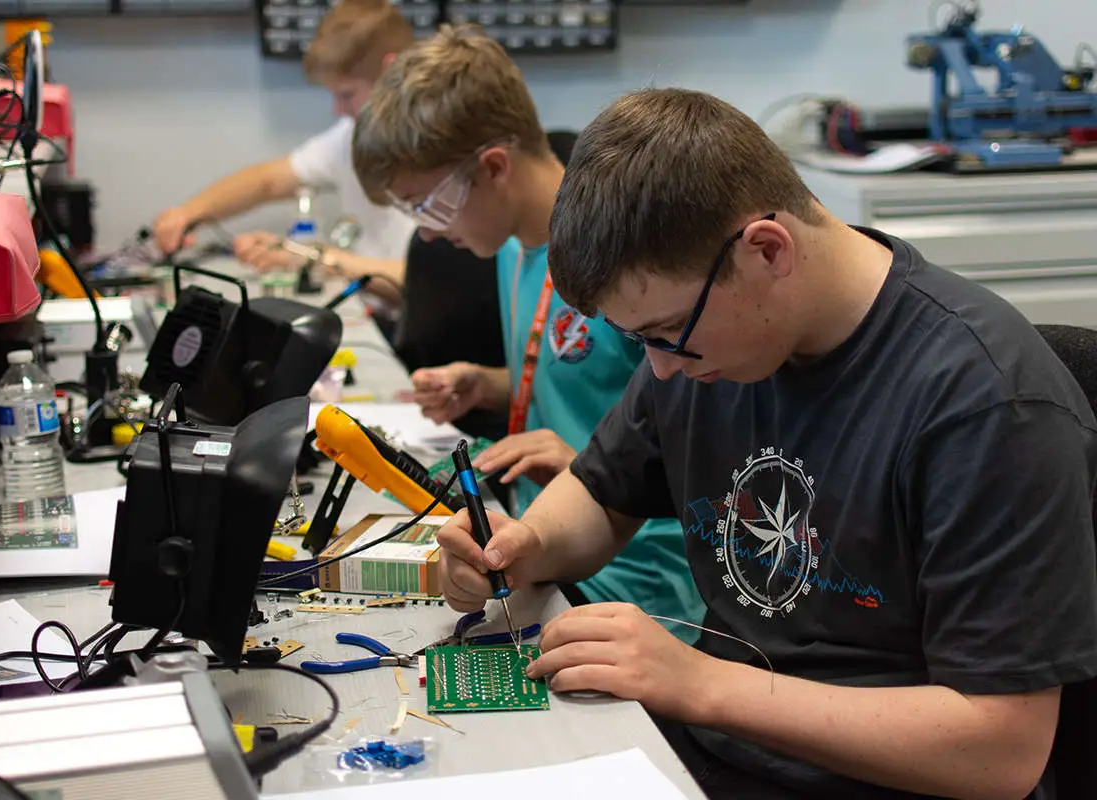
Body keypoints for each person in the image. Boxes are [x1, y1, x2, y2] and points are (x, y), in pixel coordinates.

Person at [433, 86, 1097, 799]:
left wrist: (697, 682)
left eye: (664, 337)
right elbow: (604, 490)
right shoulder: (704, 344)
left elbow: (1000, 751)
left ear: (768, 250)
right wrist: (524, 546)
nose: (656, 369)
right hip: (714, 754)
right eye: (638, 342)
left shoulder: (986, 400)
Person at [350, 27, 707, 639]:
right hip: (544, 543)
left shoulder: (628, 265)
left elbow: (708, 448)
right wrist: (488, 386)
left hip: (640, 575)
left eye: (429, 206)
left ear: (493, 167)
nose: (427, 235)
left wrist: (593, 475)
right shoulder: (512, 247)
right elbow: (587, 379)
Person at [150, 0, 415, 305]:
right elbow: (269, 181)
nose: (337, 109)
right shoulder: (351, 136)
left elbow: (425, 279)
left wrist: (309, 257)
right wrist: (188, 214)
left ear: (391, 70)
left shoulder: (434, 150)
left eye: (347, 94)